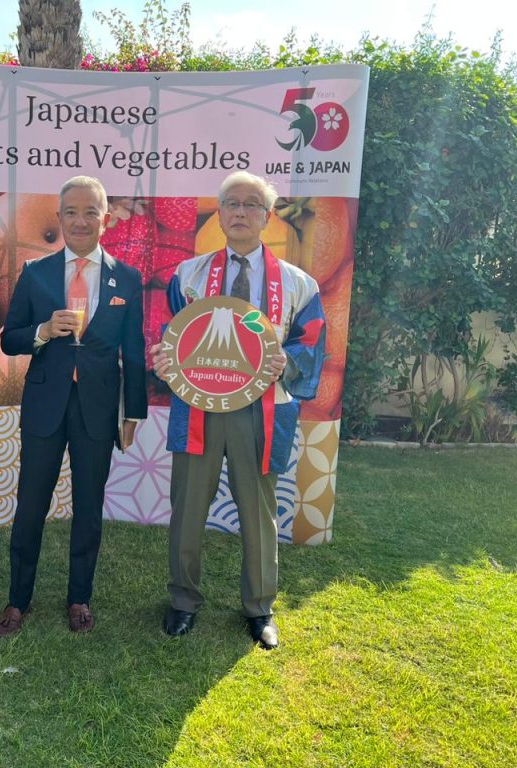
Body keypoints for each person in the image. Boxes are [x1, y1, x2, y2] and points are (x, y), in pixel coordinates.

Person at [150, 171, 326, 649]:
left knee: (258, 510)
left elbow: (311, 346)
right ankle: (183, 600)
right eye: (232, 203)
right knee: (187, 508)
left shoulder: (298, 284)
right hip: (199, 408)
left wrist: (287, 359)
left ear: (267, 217)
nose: (242, 212)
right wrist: (163, 359)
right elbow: (169, 334)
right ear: (221, 213)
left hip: (262, 411)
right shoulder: (187, 276)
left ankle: (259, 607)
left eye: (252, 204)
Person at [0, 176, 148, 637]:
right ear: (59, 218)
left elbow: (134, 351)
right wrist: (42, 331)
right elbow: (9, 339)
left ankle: (79, 597)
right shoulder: (35, 273)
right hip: (45, 405)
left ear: (106, 219)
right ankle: (18, 600)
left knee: (88, 507)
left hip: (97, 410)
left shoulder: (128, 278)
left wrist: (133, 413)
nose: (80, 221)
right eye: (71, 212)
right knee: (30, 506)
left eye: (90, 212)